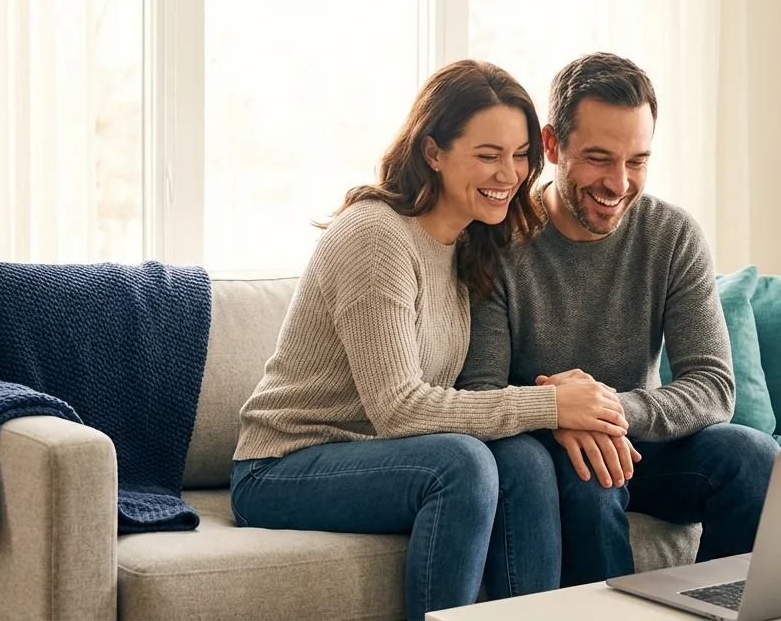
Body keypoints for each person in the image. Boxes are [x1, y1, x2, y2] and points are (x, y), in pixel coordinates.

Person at [230, 59, 629, 621]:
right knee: (461, 464)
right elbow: (399, 409)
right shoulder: (376, 236)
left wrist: (557, 401)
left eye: (520, 156)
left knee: (526, 460)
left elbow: (464, 397)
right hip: (282, 466)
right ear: (433, 152)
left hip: (380, 458)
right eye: (488, 155)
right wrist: (549, 403)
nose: (509, 174)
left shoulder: (468, 245)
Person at [456, 52, 781, 587]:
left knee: (753, 456)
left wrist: (604, 411)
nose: (619, 183)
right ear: (553, 145)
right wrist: (559, 414)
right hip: (552, 449)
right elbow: (482, 388)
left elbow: (714, 387)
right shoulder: (498, 243)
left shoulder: (672, 236)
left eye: (637, 161)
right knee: (590, 475)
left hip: (641, 436)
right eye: (600, 158)